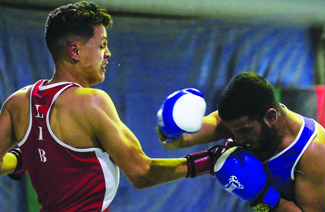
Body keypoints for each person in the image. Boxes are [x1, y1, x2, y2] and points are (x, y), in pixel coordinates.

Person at [0, 1, 213, 211]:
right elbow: (142, 173)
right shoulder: (92, 101)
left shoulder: (17, 102)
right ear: (74, 51)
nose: (108, 53)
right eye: (102, 44)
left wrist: (21, 160)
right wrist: (209, 161)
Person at [158, 72, 325, 211]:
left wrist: (261, 197)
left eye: (244, 131)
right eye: (232, 131)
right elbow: (177, 142)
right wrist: (168, 129)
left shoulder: (314, 150)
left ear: (271, 117)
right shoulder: (241, 121)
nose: (237, 139)